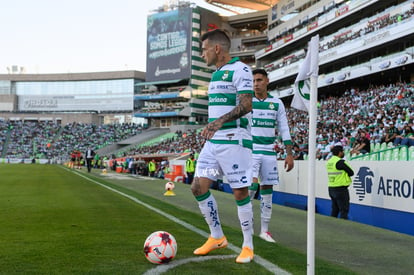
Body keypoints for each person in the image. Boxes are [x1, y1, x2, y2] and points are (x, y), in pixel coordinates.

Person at [191, 29, 254, 263]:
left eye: (204, 49)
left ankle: (248, 245)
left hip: (234, 141)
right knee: (198, 187)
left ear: (217, 48)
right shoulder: (215, 74)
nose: (202, 54)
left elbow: (247, 105)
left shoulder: (241, 69)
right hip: (213, 143)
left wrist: (219, 121)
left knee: (239, 192)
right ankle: (217, 237)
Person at [248, 68, 294, 243]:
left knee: (267, 192)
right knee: (251, 189)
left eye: (259, 80)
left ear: (267, 81)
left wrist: (289, 154)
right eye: (253, 81)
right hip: (251, 151)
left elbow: (284, 129)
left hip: (269, 151)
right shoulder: (247, 102)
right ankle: (248, 227)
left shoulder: (277, 103)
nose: (256, 84)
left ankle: (265, 231)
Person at [326, 145, 354, 219]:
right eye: (342, 151)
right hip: (340, 189)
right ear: (339, 152)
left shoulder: (329, 162)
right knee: (344, 210)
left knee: (335, 210)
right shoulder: (340, 162)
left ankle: (331, 226)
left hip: (331, 187)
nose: (343, 153)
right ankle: (343, 228)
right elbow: (351, 172)